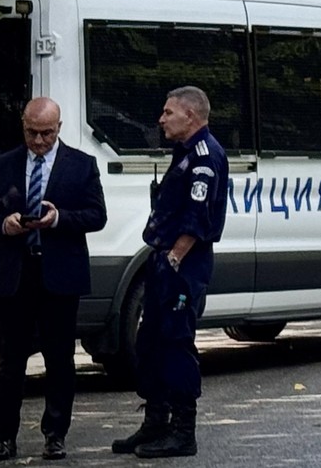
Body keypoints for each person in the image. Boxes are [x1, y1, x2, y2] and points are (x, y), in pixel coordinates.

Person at [0, 97, 107, 462]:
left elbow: (97, 216)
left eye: (46, 133)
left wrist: (59, 219)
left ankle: (55, 434)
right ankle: (4, 437)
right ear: (23, 126)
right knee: (10, 361)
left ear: (59, 128)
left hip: (59, 274)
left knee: (60, 360)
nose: (38, 141)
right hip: (15, 274)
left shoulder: (81, 165)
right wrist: (4, 223)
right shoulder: (3, 165)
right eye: (32, 132)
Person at [114, 86, 227, 458]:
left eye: (168, 112)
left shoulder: (204, 157)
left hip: (183, 264)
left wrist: (175, 259)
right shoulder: (182, 153)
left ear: (190, 116)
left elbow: (197, 218)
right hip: (163, 260)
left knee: (177, 345)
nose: (161, 119)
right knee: (150, 342)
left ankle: (183, 431)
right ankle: (155, 422)